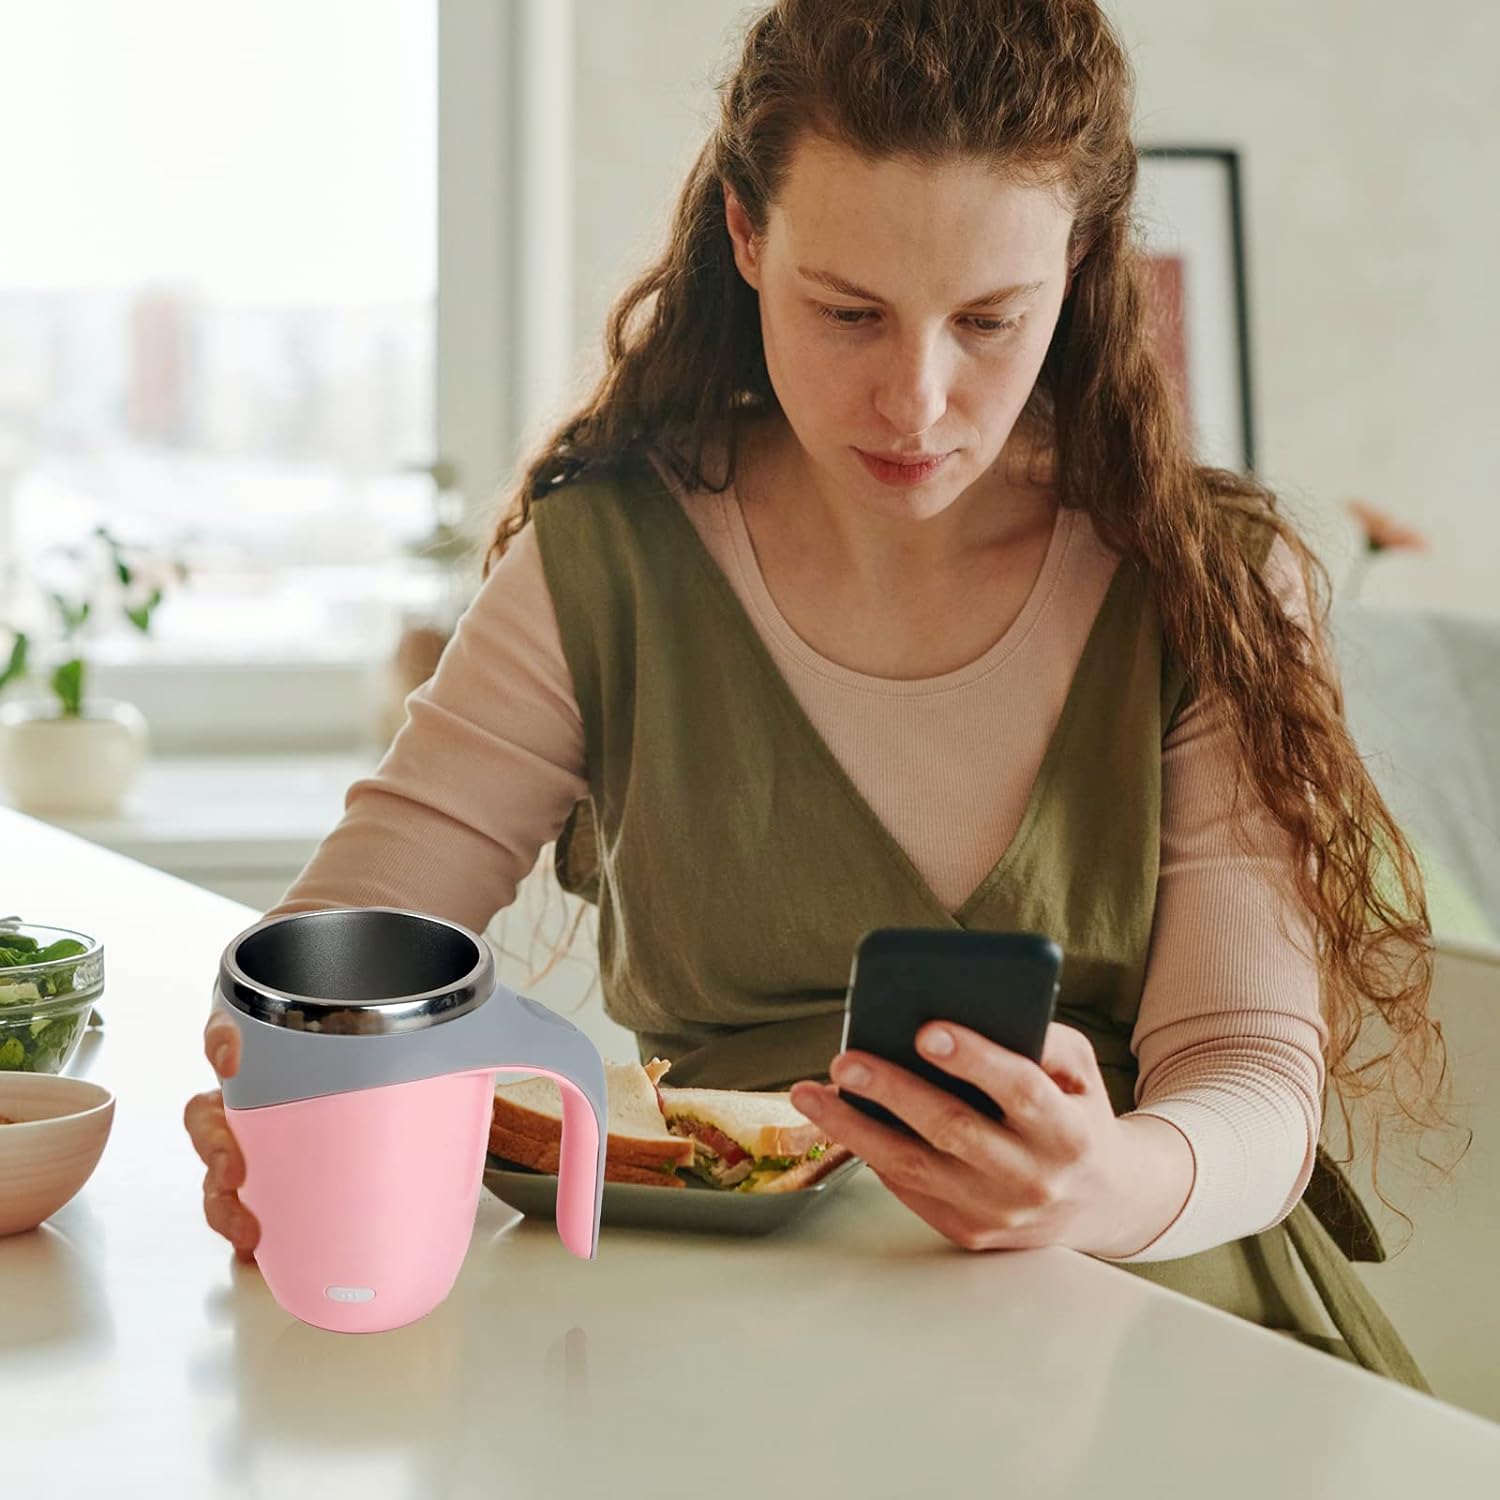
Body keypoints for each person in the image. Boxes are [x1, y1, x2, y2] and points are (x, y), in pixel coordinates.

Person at [184, 0, 1458, 1387]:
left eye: (988, 320)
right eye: (848, 312)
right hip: (732, 1346)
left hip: (1164, 1318)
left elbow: (1253, 1077)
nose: (915, 402)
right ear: (746, 237)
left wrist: (1110, 1180)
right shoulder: (603, 565)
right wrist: (290, 1102)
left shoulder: (1209, 581)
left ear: (1082, 263)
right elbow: (351, 945)